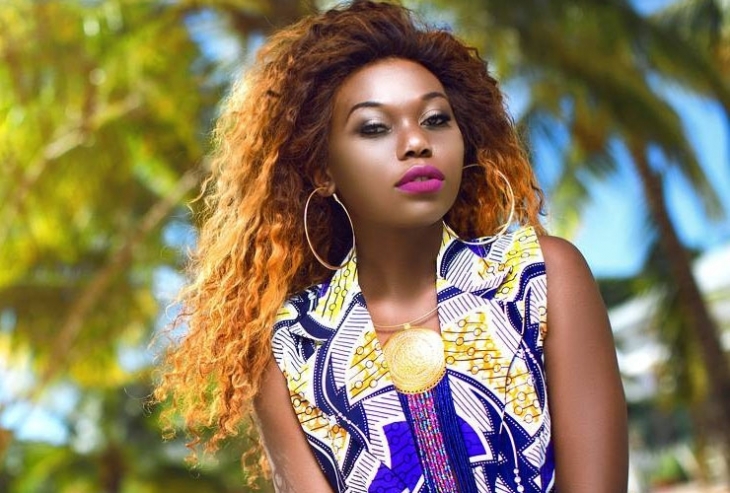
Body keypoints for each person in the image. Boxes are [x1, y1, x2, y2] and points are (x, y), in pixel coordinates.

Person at [154, 1, 629, 491]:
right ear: (323, 170)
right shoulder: (290, 348)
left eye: (436, 119)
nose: (416, 142)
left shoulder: (540, 278)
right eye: (375, 127)